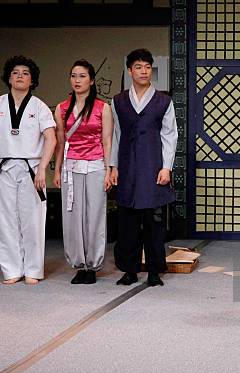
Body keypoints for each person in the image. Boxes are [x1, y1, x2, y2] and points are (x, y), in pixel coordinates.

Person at [0, 55, 56, 285]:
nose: (20, 76)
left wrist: (43, 168)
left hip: (31, 167)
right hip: (3, 167)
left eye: (25, 73)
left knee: (33, 220)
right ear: (8, 78)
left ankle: (33, 270)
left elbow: (51, 139)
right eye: (15, 72)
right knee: (6, 220)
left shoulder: (39, 106)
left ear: (32, 80)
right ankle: (11, 269)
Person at [109, 48, 178, 287]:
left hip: (152, 165)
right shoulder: (118, 101)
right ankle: (129, 269)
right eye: (138, 67)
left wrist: (166, 167)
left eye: (147, 67)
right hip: (127, 166)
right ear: (130, 71)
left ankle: (154, 270)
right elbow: (115, 135)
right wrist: (113, 166)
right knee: (127, 221)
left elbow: (170, 135)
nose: (143, 71)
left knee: (154, 222)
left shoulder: (163, 101)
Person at [53, 60, 113, 284]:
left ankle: (93, 265)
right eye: (73, 76)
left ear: (92, 80)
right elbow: (60, 142)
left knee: (95, 216)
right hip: (71, 166)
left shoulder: (102, 108)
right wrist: (57, 170)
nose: (77, 80)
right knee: (72, 217)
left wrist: (109, 170)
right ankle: (79, 264)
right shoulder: (61, 108)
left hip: (96, 165)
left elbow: (107, 141)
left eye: (82, 76)